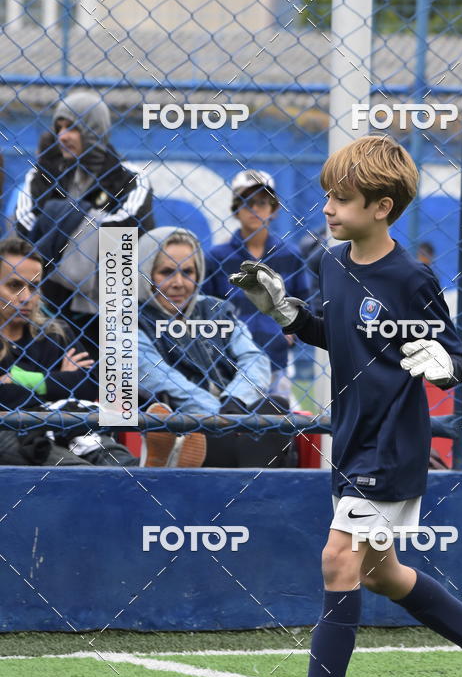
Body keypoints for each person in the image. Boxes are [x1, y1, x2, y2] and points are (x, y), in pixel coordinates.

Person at [231, 134, 462, 677]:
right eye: (328, 198)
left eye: (342, 199)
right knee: (380, 572)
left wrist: (442, 361)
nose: (329, 210)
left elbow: (458, 355)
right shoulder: (331, 263)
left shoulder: (411, 279)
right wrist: (285, 312)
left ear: (382, 206)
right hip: (351, 438)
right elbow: (333, 334)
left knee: (339, 559)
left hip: (392, 444)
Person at [14, 90, 154, 360]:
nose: (62, 136)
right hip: (52, 301)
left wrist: (59, 220)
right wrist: (91, 218)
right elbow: (25, 231)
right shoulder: (41, 175)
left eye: (72, 128)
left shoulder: (130, 178)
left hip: (112, 299)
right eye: (59, 128)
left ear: (94, 130)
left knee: (116, 384)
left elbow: (127, 231)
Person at [138, 226, 293, 468]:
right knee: (246, 436)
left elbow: (254, 359)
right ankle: (252, 498)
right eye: (166, 272)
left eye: (188, 272)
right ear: (145, 274)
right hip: (187, 426)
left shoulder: (215, 309)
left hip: (236, 416)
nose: (179, 283)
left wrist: (235, 402)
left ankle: (244, 493)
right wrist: (222, 417)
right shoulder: (130, 320)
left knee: (275, 405)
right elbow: (162, 380)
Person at [0, 237, 136, 467]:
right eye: (14, 286)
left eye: (34, 286)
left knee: (113, 456)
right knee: (76, 470)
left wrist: (24, 380)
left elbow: (89, 385)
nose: (26, 298)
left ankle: (144, 469)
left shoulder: (55, 332)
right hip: (16, 433)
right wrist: (60, 382)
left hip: (69, 426)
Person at [202, 170, 310, 403]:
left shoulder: (290, 255)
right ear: (235, 209)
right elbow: (205, 305)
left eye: (262, 202)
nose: (254, 209)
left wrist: (294, 331)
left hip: (276, 359)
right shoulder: (216, 257)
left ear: (273, 209)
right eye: (246, 202)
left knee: (275, 425)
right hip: (230, 361)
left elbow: (303, 300)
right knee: (229, 420)